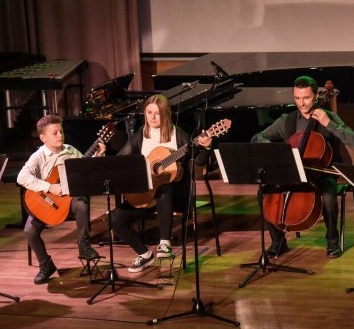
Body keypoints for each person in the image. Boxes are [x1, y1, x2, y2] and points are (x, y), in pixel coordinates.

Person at [251, 76, 354, 258]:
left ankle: (332, 242)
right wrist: (278, 149)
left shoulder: (329, 116)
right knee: (263, 194)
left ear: (316, 96)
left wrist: (329, 124)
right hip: (292, 173)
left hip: (321, 174)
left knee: (328, 198)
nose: (301, 103)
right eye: (297, 98)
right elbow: (257, 137)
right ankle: (278, 242)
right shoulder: (288, 120)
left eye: (306, 98)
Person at [111, 93, 212, 273]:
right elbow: (121, 160)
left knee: (164, 187)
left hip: (176, 194)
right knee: (116, 219)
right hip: (147, 193)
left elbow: (199, 161)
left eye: (157, 113)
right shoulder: (140, 135)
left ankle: (164, 243)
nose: (152, 117)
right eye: (149, 112)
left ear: (165, 114)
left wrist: (206, 147)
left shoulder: (178, 135)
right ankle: (144, 254)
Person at [17, 114, 105, 285]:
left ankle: (84, 245)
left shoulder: (71, 151)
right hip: (47, 202)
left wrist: (97, 157)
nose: (60, 135)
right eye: (55, 133)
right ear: (43, 138)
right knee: (29, 231)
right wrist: (49, 187)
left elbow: (86, 170)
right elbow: (22, 177)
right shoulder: (39, 156)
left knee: (82, 202)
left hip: (68, 201)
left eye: (61, 131)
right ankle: (45, 264)